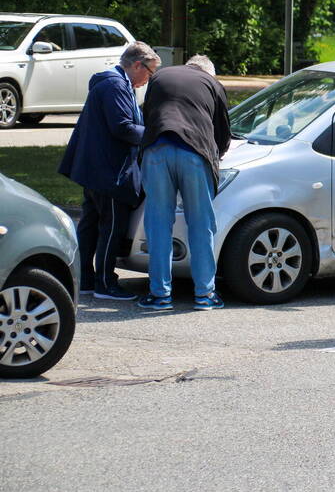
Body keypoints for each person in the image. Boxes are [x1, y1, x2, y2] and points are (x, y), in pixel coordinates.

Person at [59, 42, 159, 301]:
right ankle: (105, 283)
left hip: (96, 169)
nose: (149, 79)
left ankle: (85, 279)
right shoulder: (115, 85)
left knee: (91, 226)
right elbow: (122, 127)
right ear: (137, 65)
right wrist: (155, 136)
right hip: (109, 172)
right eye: (150, 72)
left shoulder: (113, 83)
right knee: (111, 228)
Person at [137, 54, 231, 311]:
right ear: (208, 72)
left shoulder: (159, 77)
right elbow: (222, 134)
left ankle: (159, 295)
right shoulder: (212, 84)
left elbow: (148, 116)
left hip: (156, 150)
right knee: (201, 224)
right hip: (195, 154)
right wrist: (215, 156)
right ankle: (205, 294)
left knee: (158, 225)